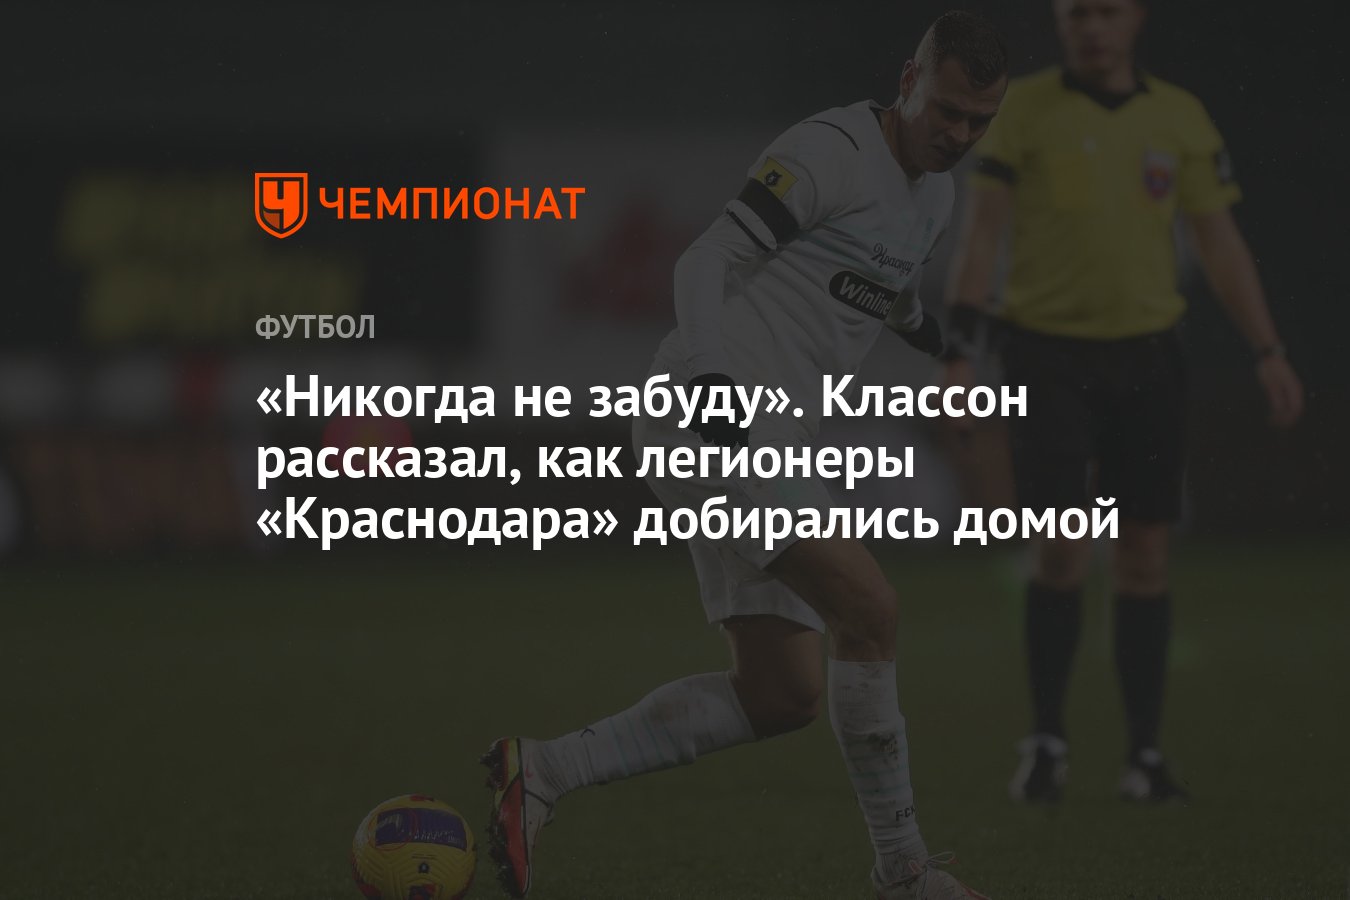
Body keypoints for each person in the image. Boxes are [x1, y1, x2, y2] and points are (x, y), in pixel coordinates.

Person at [481, 12, 1008, 900]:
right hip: (710, 411)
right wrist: (714, 377)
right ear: (908, 79)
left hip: (773, 435)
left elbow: (886, 285)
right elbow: (703, 259)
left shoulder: (936, 197)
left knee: (781, 694)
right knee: (871, 609)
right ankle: (904, 870)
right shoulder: (831, 149)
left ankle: (541, 771)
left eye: (978, 121)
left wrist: (935, 340)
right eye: (948, 110)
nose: (958, 133)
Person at [943, 0, 1304, 804]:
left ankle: (1144, 754)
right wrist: (961, 351)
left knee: (1144, 555)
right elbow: (982, 234)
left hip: (1148, 358)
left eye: (1105, 12)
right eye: (1076, 13)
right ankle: (1047, 742)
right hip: (1045, 356)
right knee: (1061, 550)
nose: (1090, 27)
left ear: (1135, 18)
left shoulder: (1179, 117)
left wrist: (1268, 348)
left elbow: (1219, 240)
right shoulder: (1023, 110)